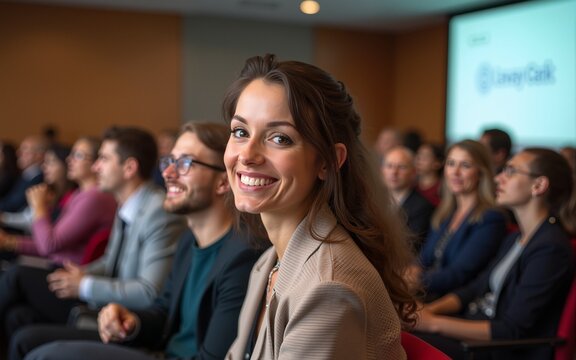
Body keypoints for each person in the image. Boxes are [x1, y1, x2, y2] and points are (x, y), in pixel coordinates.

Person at [222, 54, 415, 359]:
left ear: (327, 161)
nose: (247, 155)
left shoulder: (328, 289)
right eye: (240, 132)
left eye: (279, 138)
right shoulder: (269, 262)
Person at [17, 122, 261, 360]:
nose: (167, 173)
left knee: (45, 353)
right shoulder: (189, 241)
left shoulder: (241, 257)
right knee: (26, 335)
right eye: (169, 161)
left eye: (185, 163)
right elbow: (163, 313)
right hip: (157, 349)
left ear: (222, 182)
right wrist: (132, 322)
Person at [0, 127, 185, 343]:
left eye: (104, 159)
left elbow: (149, 292)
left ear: (129, 167)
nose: (97, 167)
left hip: (126, 317)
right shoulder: (127, 202)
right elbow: (110, 261)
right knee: (18, 317)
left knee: (17, 277)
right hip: (105, 298)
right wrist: (81, 273)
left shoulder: (158, 211)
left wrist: (85, 285)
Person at [414, 148, 576, 360]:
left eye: (510, 171)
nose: (498, 177)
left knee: (401, 338)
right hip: (477, 332)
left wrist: (433, 324)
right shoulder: (515, 237)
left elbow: (511, 329)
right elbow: (475, 288)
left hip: (499, 350)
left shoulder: (551, 249)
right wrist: (428, 311)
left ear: (539, 185)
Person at [414, 140, 507, 300]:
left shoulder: (491, 218)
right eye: (451, 163)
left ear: (481, 172)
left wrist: (413, 282)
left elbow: (460, 274)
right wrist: (412, 271)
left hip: (451, 303)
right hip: (426, 292)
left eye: (465, 165)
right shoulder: (445, 213)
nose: (455, 172)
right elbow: (424, 258)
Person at [0, 139, 116, 264]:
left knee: (14, 273)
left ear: (96, 163)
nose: (69, 160)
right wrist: (9, 241)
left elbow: (49, 245)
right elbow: (51, 243)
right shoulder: (79, 194)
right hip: (57, 263)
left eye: (78, 155)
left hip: (68, 271)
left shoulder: (93, 197)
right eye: (72, 154)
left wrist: (39, 206)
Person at [381, 146, 434, 251]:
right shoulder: (374, 200)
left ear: (414, 172)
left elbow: (410, 246)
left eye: (401, 167)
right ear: (382, 170)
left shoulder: (422, 207)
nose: (394, 172)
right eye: (389, 166)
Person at [0, 136, 46, 213]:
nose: (18, 153)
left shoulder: (38, 178)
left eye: (25, 150)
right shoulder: (26, 175)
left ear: (39, 155)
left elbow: (13, 205)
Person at [415, 143, 444, 207]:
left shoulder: (442, 189)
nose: (419, 160)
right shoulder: (412, 185)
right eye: (418, 155)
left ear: (437, 163)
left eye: (425, 157)